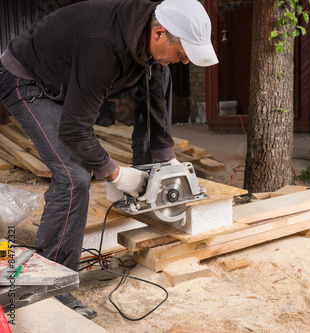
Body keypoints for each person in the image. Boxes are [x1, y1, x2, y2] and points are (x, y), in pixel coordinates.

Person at [0, 0, 218, 319]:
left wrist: (165, 162)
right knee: (73, 177)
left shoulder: (151, 44)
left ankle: (147, 197)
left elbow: (155, 103)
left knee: (161, 77)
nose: (185, 61)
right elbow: (74, 128)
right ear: (159, 34)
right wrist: (115, 173)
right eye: (182, 53)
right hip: (30, 81)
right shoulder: (103, 47)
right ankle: (52, 285)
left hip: (69, 77)